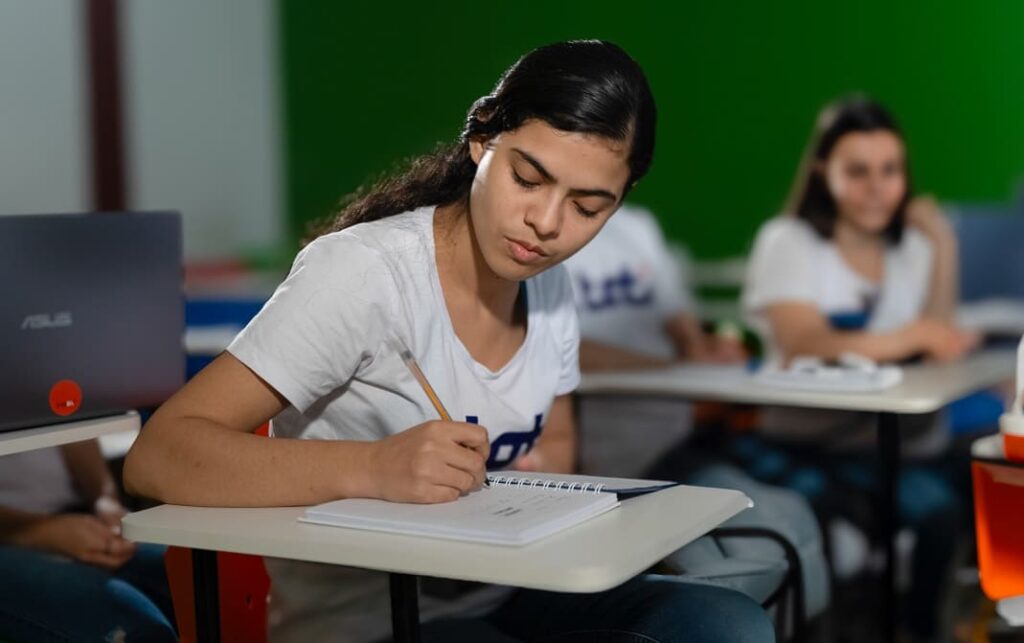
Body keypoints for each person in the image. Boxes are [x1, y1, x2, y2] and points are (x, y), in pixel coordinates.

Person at [124, 40, 774, 642]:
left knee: (721, 620)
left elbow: (557, 441)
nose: (546, 224)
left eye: (587, 207)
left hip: (511, 588)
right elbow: (159, 455)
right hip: (376, 622)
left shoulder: (549, 285)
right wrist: (373, 466)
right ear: (481, 140)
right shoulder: (362, 274)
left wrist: (541, 480)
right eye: (528, 177)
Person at [740, 96, 979, 640]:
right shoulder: (788, 241)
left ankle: (921, 629)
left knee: (949, 514)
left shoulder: (914, 249)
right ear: (824, 172)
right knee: (835, 528)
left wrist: (943, 245)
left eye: (890, 171)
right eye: (858, 171)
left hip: (902, 445)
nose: (877, 187)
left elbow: (940, 337)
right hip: (813, 444)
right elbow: (803, 342)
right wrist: (914, 335)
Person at [563, 203, 830, 621]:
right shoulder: (542, 231)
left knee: (789, 520)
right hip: (598, 465)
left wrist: (703, 350)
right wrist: (675, 365)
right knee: (739, 560)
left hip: (673, 440)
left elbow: (679, 319)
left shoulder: (635, 225)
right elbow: (555, 344)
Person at [0, 441, 177, 642]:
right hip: (8, 535)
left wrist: (104, 499)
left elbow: (77, 433)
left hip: (79, 515)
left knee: (198, 580)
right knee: (131, 628)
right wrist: (43, 531)